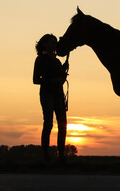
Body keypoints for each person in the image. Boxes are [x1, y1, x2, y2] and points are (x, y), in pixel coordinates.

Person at [33, 34, 69, 162]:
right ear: (45, 44)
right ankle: (46, 155)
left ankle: (61, 155)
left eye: (55, 42)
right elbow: (35, 80)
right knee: (48, 123)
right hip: (47, 94)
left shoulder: (57, 61)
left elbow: (61, 80)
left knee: (62, 124)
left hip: (58, 95)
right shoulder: (40, 60)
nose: (54, 45)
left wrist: (63, 73)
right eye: (52, 42)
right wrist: (53, 81)